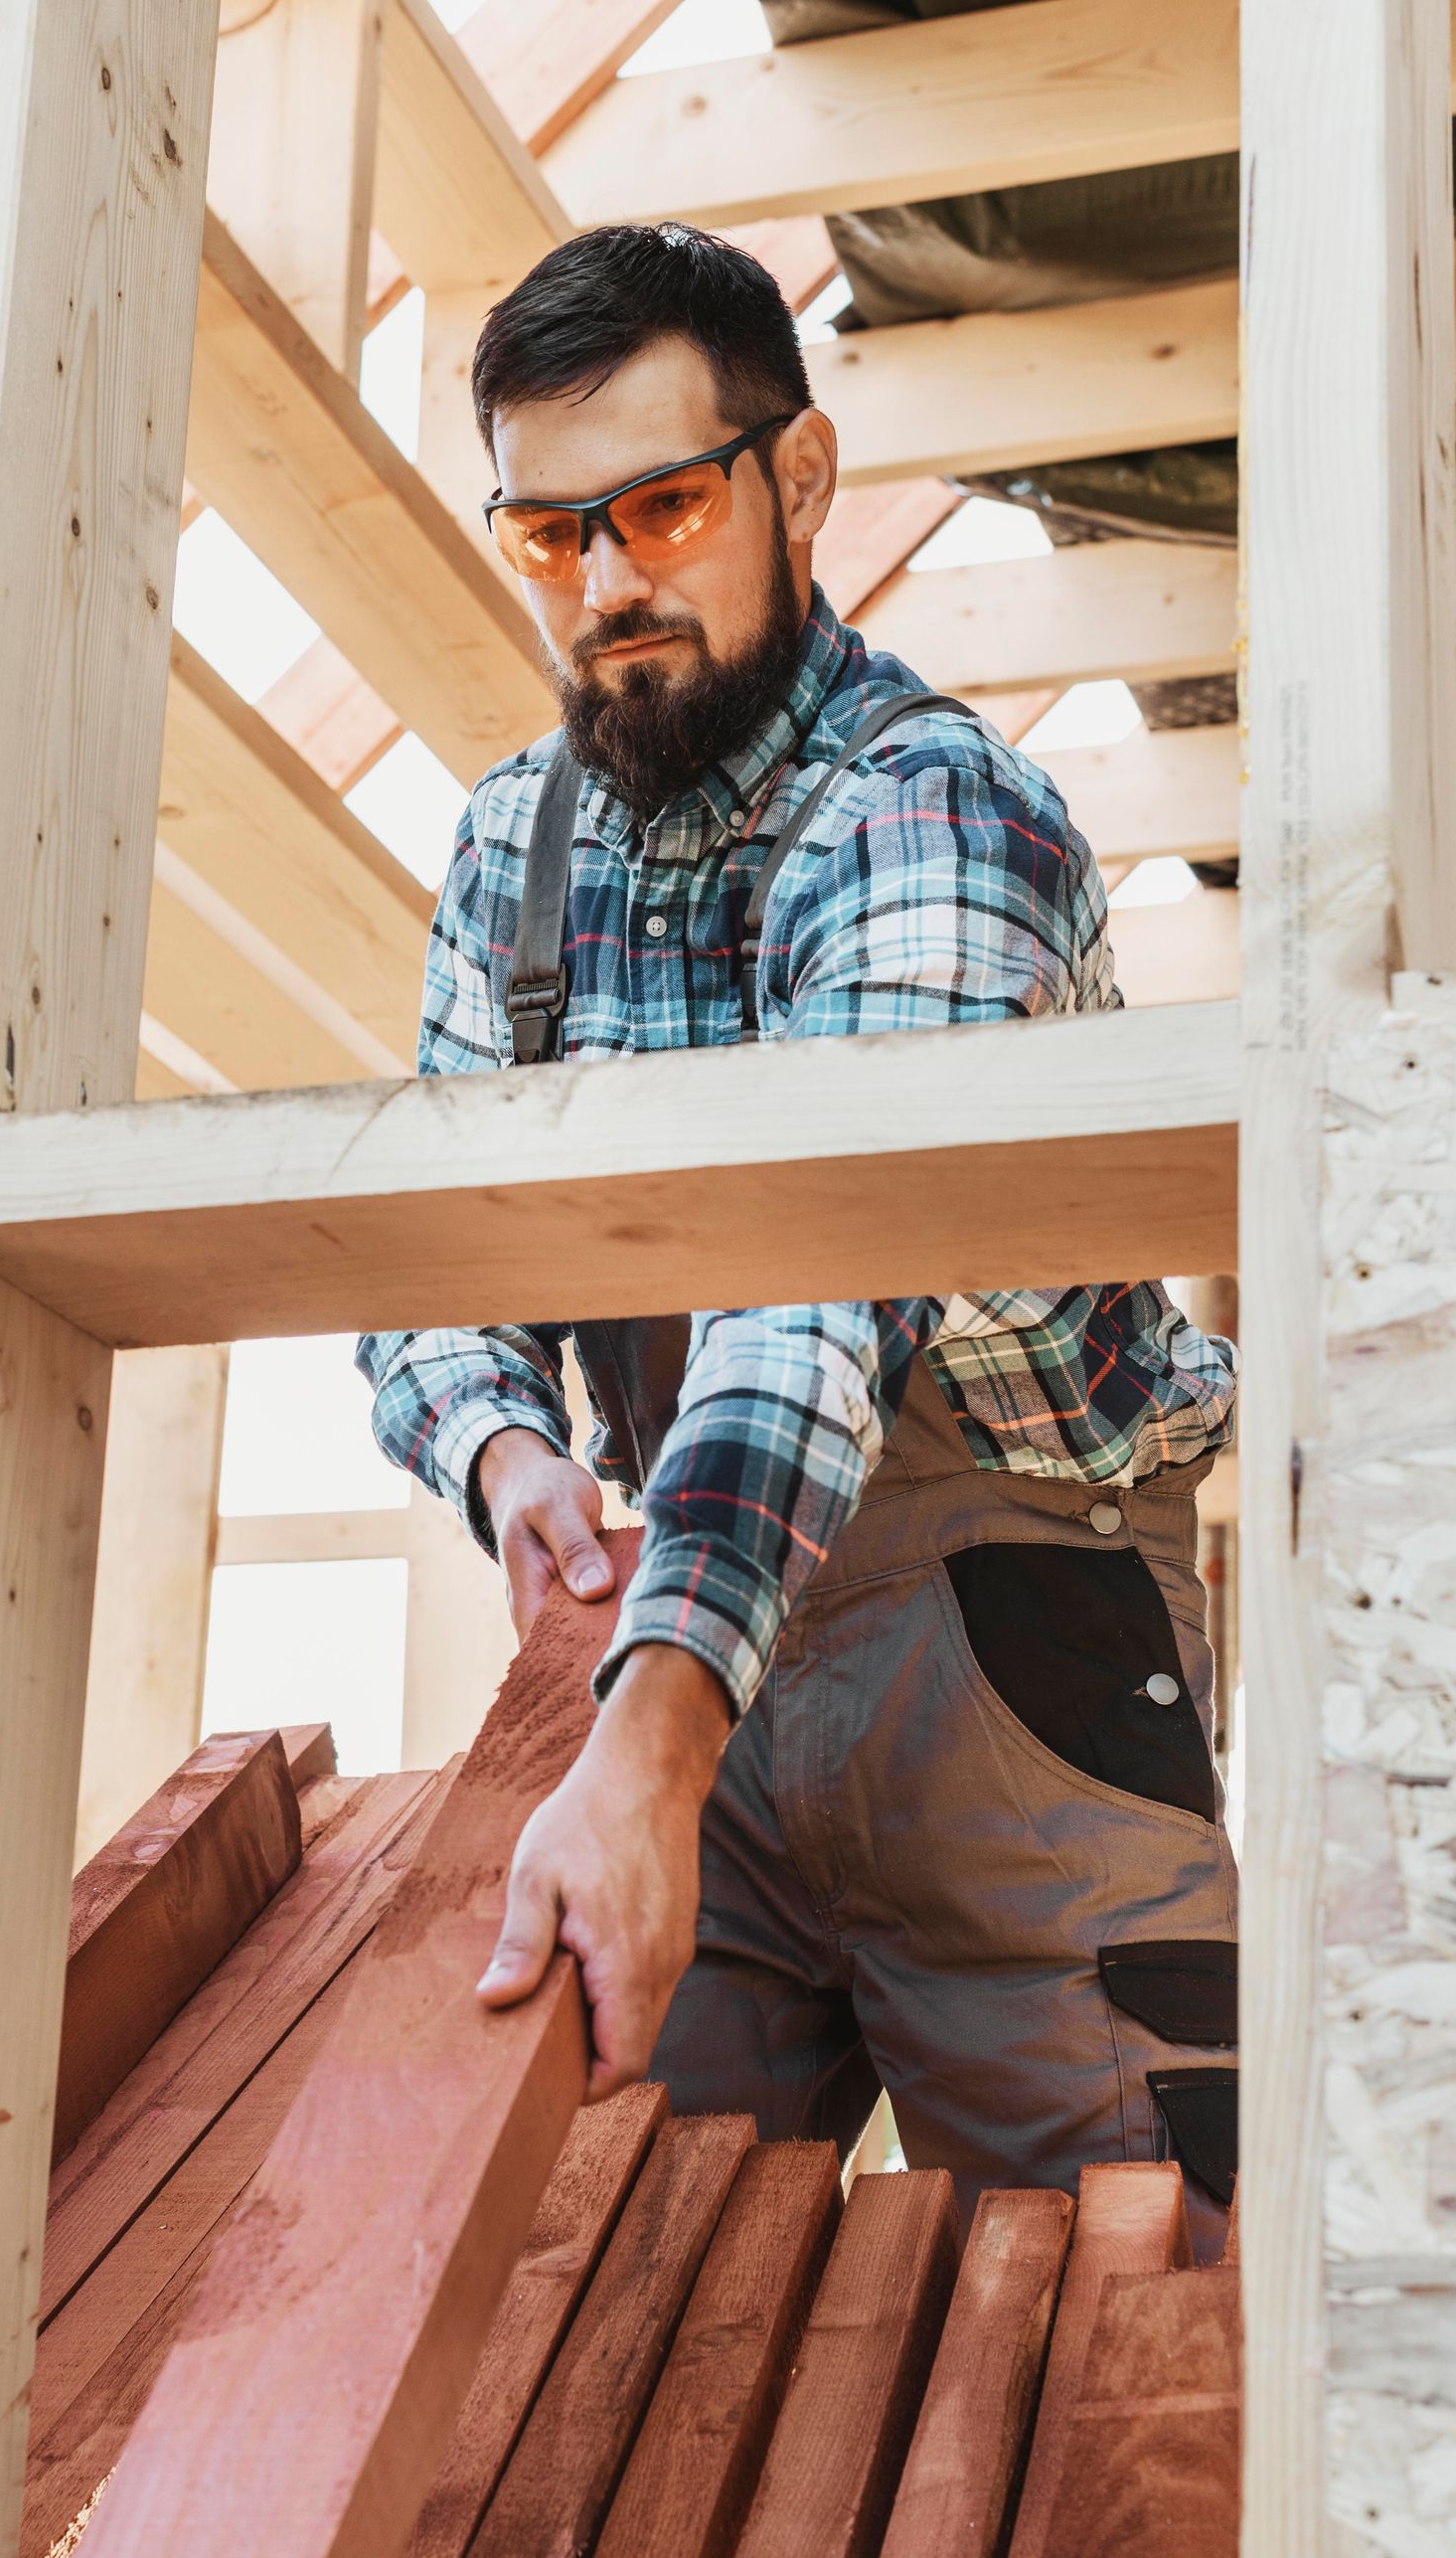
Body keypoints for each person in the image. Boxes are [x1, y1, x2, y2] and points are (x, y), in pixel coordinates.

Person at [356, 224, 1239, 2250]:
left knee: (1157, 2322)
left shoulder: (936, 811)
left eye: (661, 506)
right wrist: (505, 1463)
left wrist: (653, 1736)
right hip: (696, 1615)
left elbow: (824, 1262)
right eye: (551, 534)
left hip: (1012, 1635)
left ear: (802, 480)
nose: (608, 583)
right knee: (582, 2302)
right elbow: (435, 1270)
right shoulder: (513, 850)